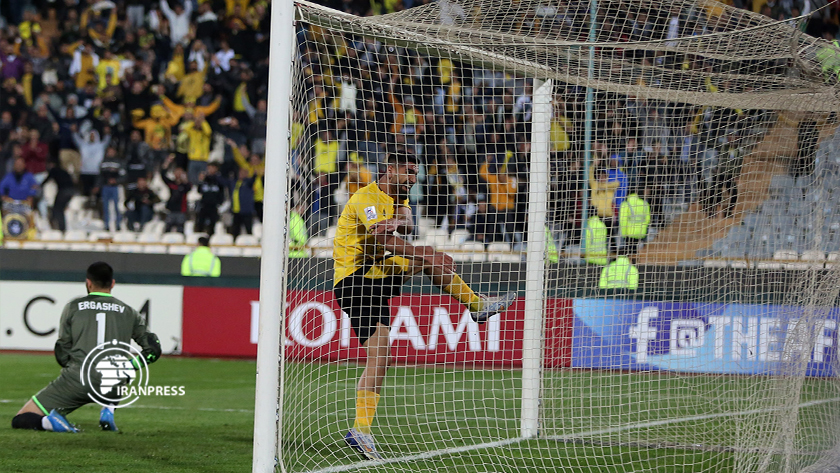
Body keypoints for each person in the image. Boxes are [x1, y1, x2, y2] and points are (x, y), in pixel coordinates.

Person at [333, 152, 517, 459]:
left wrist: (402, 221)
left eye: (415, 173)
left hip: (375, 279)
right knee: (427, 254)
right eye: (407, 172)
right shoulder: (366, 196)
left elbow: (401, 230)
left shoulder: (399, 201)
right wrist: (421, 249)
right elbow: (383, 239)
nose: (412, 179)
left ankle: (360, 431)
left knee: (381, 355)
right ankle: (474, 304)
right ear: (389, 169)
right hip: (357, 280)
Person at [11, 262, 162, 433]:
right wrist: (129, 367)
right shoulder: (129, 312)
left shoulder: (74, 306)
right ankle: (109, 408)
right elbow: (153, 350)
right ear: (112, 283)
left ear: (88, 283)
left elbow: (62, 349)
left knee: (21, 418)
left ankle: (49, 423)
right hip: (113, 384)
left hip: (78, 380)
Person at [160, 155, 192, 233]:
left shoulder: (185, 185)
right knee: (167, 228)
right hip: (171, 209)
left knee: (180, 229)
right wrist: (167, 162)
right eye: (176, 172)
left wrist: (184, 179)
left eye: (180, 172)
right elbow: (163, 175)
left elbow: (189, 187)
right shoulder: (172, 183)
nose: (178, 174)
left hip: (181, 210)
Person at [618, 190, 651, 255]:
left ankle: (631, 262)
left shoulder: (625, 204)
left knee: (629, 251)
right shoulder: (644, 203)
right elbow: (648, 219)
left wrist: (624, 234)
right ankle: (634, 262)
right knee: (634, 249)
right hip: (641, 232)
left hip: (629, 232)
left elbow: (623, 220)